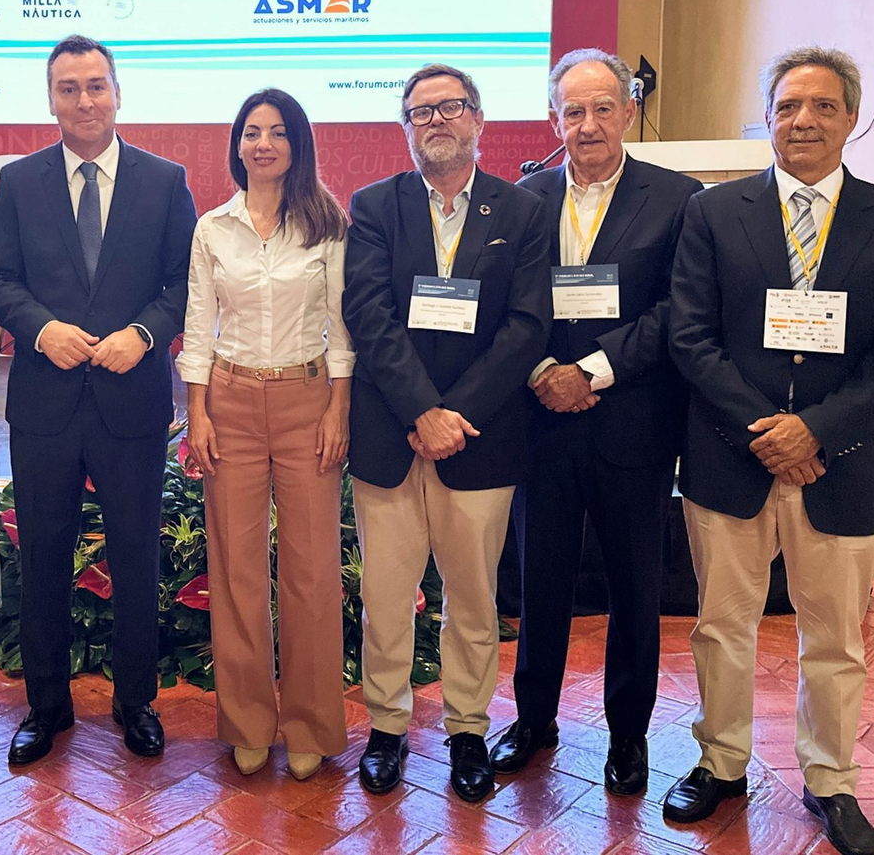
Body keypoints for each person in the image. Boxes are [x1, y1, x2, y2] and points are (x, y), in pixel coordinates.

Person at [664, 47, 874, 855]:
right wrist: (768, 429)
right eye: (787, 106)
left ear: (851, 117)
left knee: (836, 636)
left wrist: (815, 430)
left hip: (841, 462)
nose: (803, 120)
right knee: (721, 625)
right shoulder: (714, 213)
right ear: (769, 118)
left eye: (821, 106)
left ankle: (831, 780)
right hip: (729, 455)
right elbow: (691, 335)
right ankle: (720, 761)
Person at [0, 34, 197, 765]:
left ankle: (135, 701)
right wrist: (41, 330)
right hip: (45, 404)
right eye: (68, 87)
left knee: (137, 554)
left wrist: (144, 332)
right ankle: (47, 706)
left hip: (130, 403)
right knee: (44, 555)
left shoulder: (165, 182)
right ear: (50, 99)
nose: (83, 100)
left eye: (95, 85)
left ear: (116, 92)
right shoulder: (18, 180)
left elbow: (182, 285)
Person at [491, 50, 702, 795]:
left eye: (602, 107)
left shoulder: (680, 199)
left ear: (627, 111)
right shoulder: (523, 197)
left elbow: (679, 310)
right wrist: (541, 371)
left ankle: (629, 737)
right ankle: (533, 720)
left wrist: (594, 371)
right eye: (573, 111)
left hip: (631, 424)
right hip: (541, 421)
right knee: (538, 578)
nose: (588, 124)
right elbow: (508, 305)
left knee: (634, 588)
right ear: (555, 120)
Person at [342, 64, 552, 801]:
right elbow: (367, 314)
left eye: (449, 107)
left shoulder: (521, 211)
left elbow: (527, 325)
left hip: (480, 438)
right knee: (387, 594)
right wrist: (418, 412)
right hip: (391, 439)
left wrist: (455, 412)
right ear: (405, 127)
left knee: (473, 599)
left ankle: (467, 727)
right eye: (419, 111)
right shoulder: (373, 206)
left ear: (478, 118)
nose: (435, 120)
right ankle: (388, 726)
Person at [179, 88, 352, 782]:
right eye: (252, 131)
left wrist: (339, 408)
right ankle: (248, 720)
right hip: (231, 399)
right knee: (237, 568)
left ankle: (311, 722)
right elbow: (198, 323)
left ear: (296, 143)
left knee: (311, 572)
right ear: (237, 144)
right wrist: (197, 412)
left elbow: (341, 326)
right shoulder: (211, 228)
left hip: (309, 397)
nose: (263, 143)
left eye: (277, 132)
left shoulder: (326, 223)